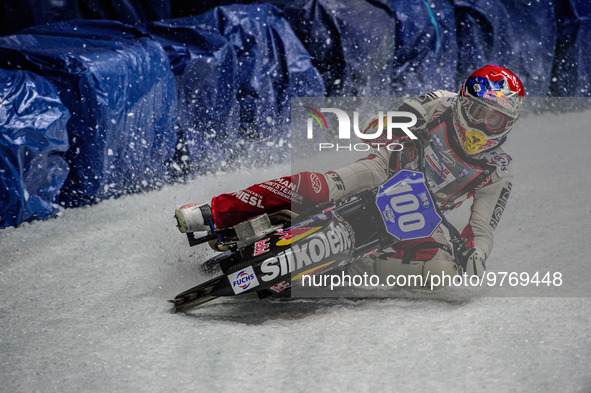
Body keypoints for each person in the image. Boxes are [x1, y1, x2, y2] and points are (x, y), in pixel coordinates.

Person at [174, 64, 524, 288]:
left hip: (419, 214)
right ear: (463, 103)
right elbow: (372, 131)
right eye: (478, 111)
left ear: (507, 126)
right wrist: (403, 123)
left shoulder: (498, 169)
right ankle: (214, 213)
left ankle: (353, 272)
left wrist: (475, 256)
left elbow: (482, 230)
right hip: (383, 168)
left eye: (494, 120)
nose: (481, 126)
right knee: (315, 186)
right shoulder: (440, 103)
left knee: (445, 273)